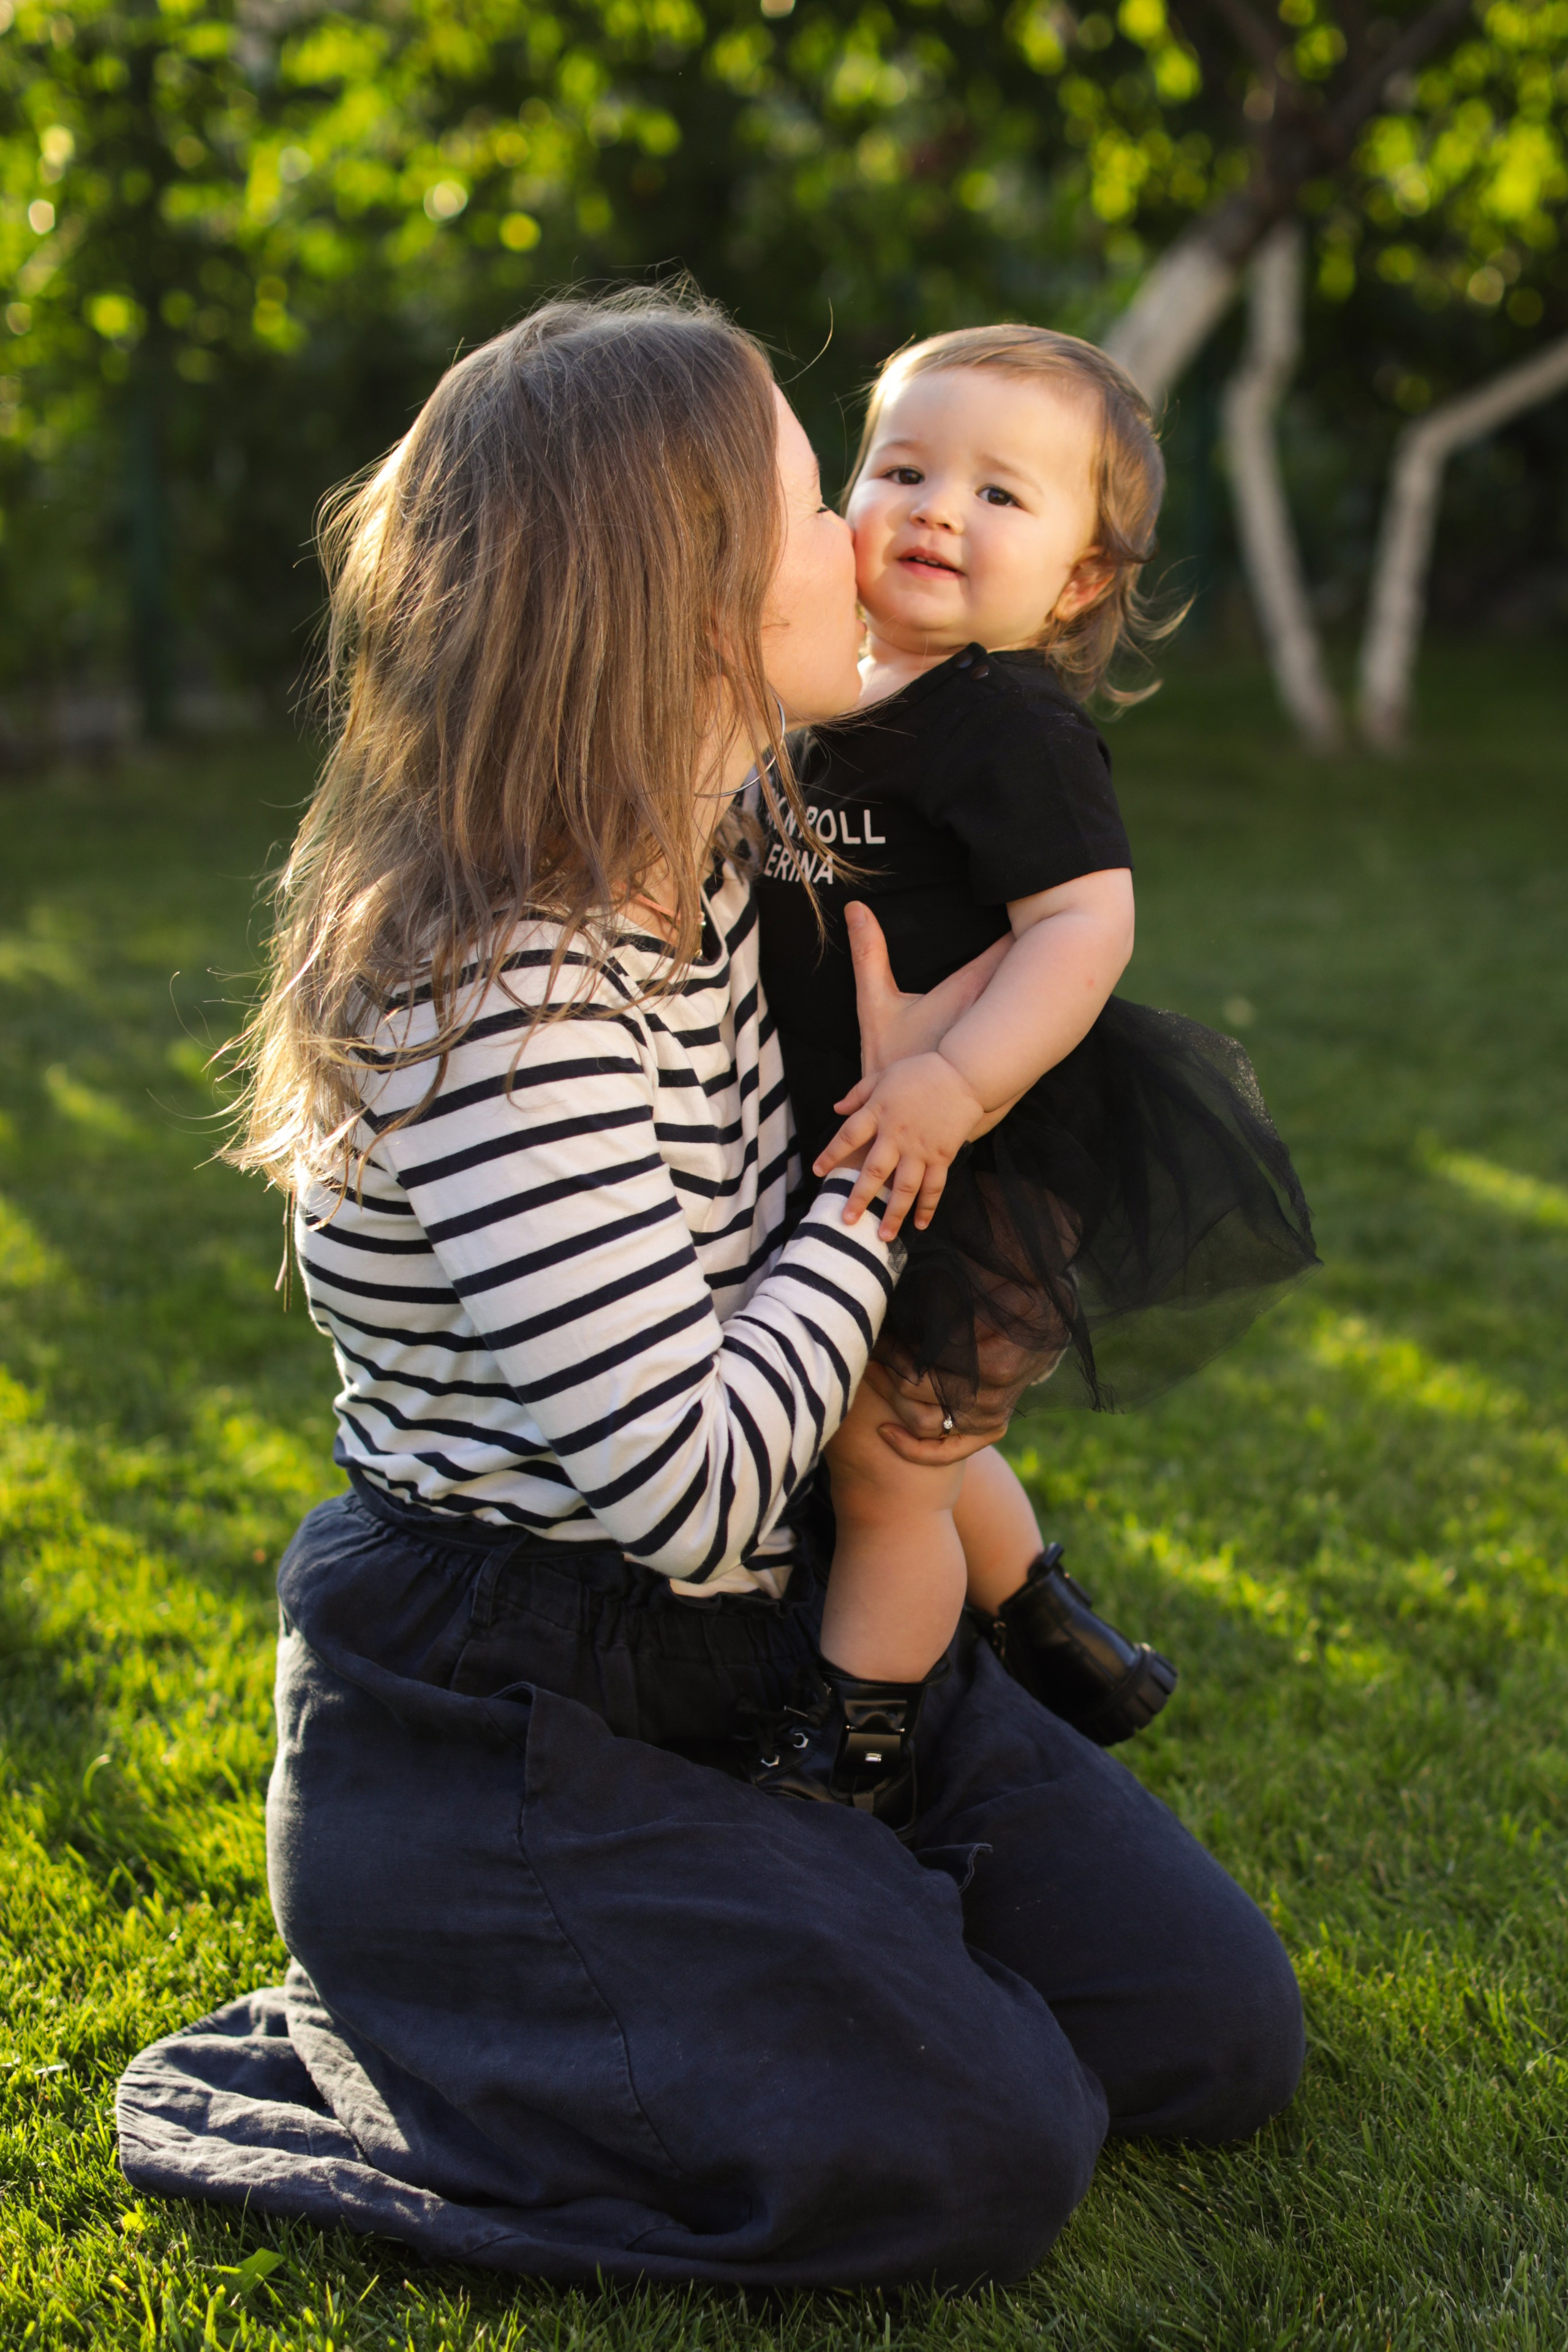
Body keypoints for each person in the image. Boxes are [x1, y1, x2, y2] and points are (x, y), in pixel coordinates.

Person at [115, 290, 1305, 2291]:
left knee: (1209, 2029)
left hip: (769, 1646)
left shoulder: (724, 852)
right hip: (515, 1690)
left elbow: (1036, 908)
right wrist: (886, 1184)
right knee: (985, 2140)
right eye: (815, 495)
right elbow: (684, 1486)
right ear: (672, 598)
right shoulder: (496, 985)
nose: (875, 537)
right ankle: (432, 2001)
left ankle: (795, 1882)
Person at [750, 326, 1318, 1826]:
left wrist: (956, 1085)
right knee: (908, 1422)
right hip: (860, 1133)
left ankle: (855, 1755)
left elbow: (1084, 926)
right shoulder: (815, 695)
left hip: (979, 1146)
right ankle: (1046, 1622)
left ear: (1074, 583)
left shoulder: (1003, 723)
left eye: (1002, 496)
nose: (938, 508)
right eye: (904, 468)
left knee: (888, 1462)